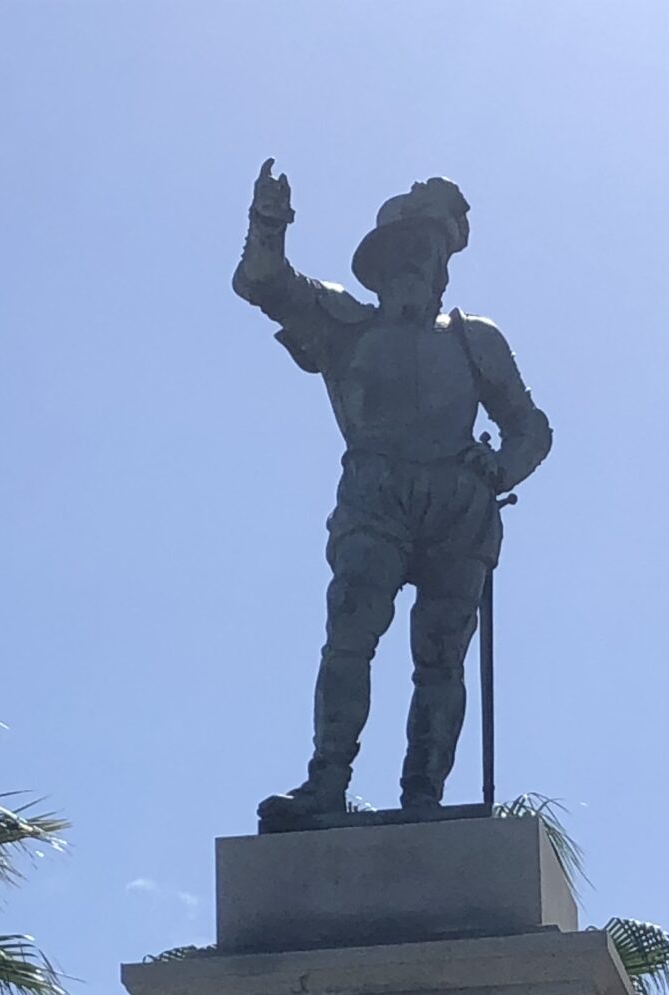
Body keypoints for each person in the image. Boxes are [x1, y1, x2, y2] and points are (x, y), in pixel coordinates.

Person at [234, 162, 553, 823]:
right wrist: (268, 223)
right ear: (377, 268)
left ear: (442, 267)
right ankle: (327, 782)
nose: (415, 267)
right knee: (350, 637)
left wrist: (499, 471)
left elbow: (530, 427)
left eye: (426, 255)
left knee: (441, 659)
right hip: (374, 497)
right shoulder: (344, 326)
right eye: (403, 254)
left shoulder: (475, 340)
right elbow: (263, 283)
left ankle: (424, 796)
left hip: (458, 511)